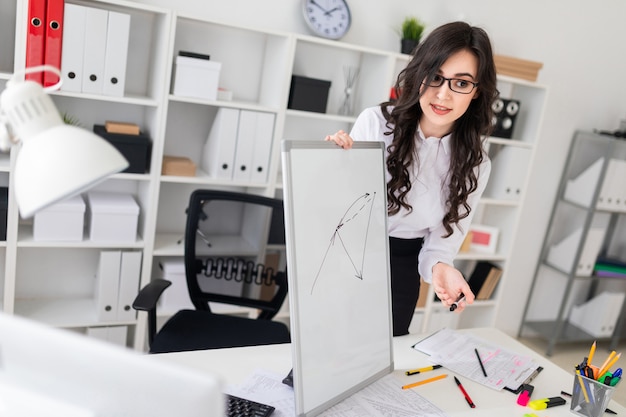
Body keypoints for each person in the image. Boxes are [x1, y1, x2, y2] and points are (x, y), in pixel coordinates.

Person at [325, 21, 498, 336]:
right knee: (327, 354)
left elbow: (440, 245)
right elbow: (342, 207)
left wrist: (442, 269)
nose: (443, 95)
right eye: (435, 77)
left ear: (476, 93)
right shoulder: (376, 124)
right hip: (346, 257)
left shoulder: (476, 164)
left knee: (381, 363)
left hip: (402, 270)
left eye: (461, 83)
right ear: (419, 75)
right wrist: (331, 168)